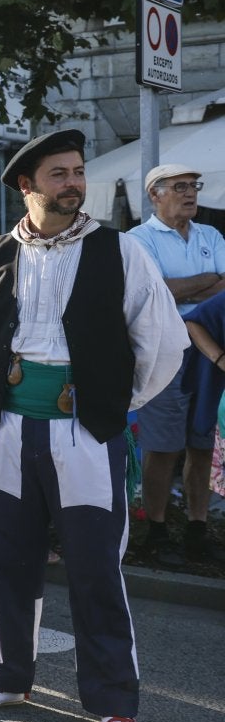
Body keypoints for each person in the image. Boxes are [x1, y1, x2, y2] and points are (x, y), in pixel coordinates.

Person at [0, 129, 185, 722]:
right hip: (8, 430)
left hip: (87, 432)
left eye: (77, 172)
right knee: (6, 557)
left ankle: (114, 701)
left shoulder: (119, 252)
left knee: (95, 566)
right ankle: (5, 678)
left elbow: (160, 342)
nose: (73, 184)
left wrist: (111, 404)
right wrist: (11, 392)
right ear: (27, 187)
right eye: (58, 174)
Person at [126, 163, 224, 568]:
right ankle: (158, 530)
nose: (190, 193)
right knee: (163, 445)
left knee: (202, 443)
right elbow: (157, 292)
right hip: (164, 349)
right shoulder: (137, 240)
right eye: (180, 187)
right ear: (155, 194)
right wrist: (206, 280)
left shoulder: (210, 234)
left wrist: (183, 287)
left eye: (194, 186)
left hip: (209, 348)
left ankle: (198, 530)